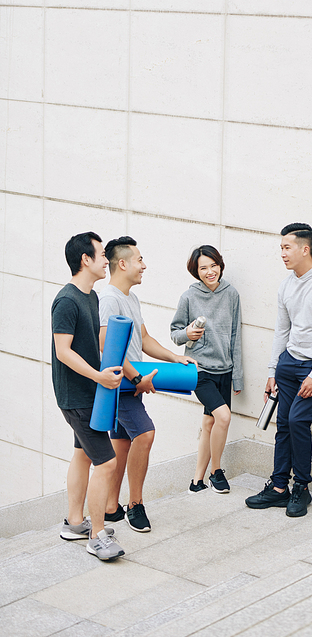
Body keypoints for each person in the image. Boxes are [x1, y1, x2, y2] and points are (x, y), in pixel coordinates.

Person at [245, 223, 312, 518]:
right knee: (284, 424)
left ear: (305, 248)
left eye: (287, 247)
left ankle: (301, 486)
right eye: (281, 248)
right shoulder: (287, 284)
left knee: (299, 420)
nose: (283, 253)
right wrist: (273, 369)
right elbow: (281, 330)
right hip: (289, 361)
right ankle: (278, 488)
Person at [99, 236, 196, 532]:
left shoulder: (130, 298)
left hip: (130, 384)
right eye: (139, 260)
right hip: (120, 385)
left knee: (122, 443)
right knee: (145, 433)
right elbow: (105, 343)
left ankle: (110, 508)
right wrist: (136, 377)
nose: (144, 265)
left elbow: (145, 339)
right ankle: (136, 505)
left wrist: (173, 358)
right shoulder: (109, 298)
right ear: (123, 263)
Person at [51, 232, 125, 561]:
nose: (106, 260)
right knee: (107, 463)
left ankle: (74, 523)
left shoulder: (91, 297)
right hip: (77, 396)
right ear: (86, 259)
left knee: (83, 454)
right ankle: (96, 535)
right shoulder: (67, 300)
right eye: (101, 254)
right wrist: (98, 377)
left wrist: (121, 373)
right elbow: (63, 352)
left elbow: (94, 344)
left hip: (90, 391)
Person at [170, 245, 243, 494]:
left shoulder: (231, 294)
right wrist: (187, 333)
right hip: (198, 370)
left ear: (220, 265)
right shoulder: (189, 297)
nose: (210, 271)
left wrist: (238, 376)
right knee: (223, 417)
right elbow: (175, 334)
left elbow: (236, 336)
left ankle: (196, 480)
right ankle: (217, 471)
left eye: (214, 265)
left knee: (210, 423)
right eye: (204, 268)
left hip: (225, 369)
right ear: (196, 271)